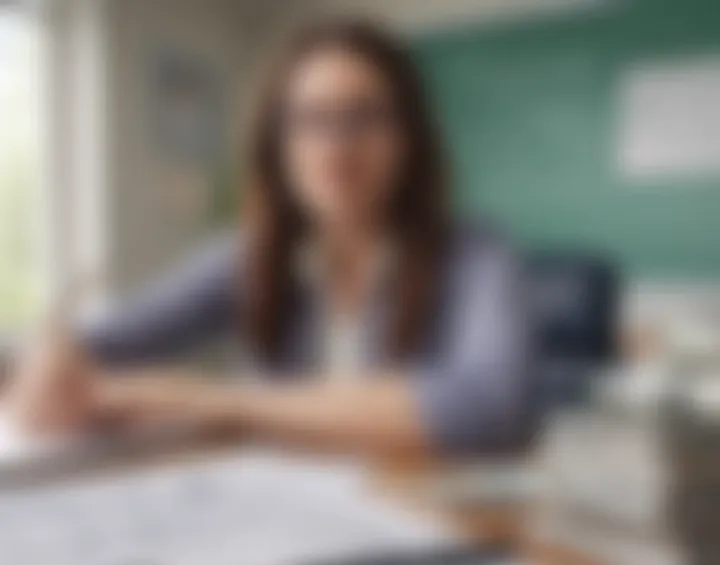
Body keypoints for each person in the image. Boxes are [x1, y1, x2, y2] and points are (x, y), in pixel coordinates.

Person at [7, 20, 534, 457]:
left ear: (411, 139)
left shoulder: (474, 254)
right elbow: (108, 343)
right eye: (310, 121)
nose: (336, 147)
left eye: (365, 117)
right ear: (278, 146)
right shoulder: (247, 255)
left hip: (421, 515)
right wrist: (52, 356)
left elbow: (491, 409)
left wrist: (218, 400)